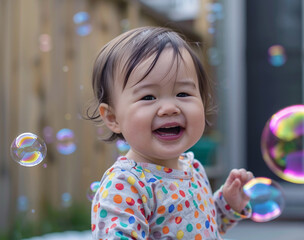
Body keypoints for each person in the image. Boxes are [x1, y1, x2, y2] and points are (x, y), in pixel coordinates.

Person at [86, 26, 253, 240]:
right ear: (112, 118)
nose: (170, 108)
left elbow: (202, 228)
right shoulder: (126, 185)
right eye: (148, 97)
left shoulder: (193, 168)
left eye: (183, 93)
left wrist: (227, 205)